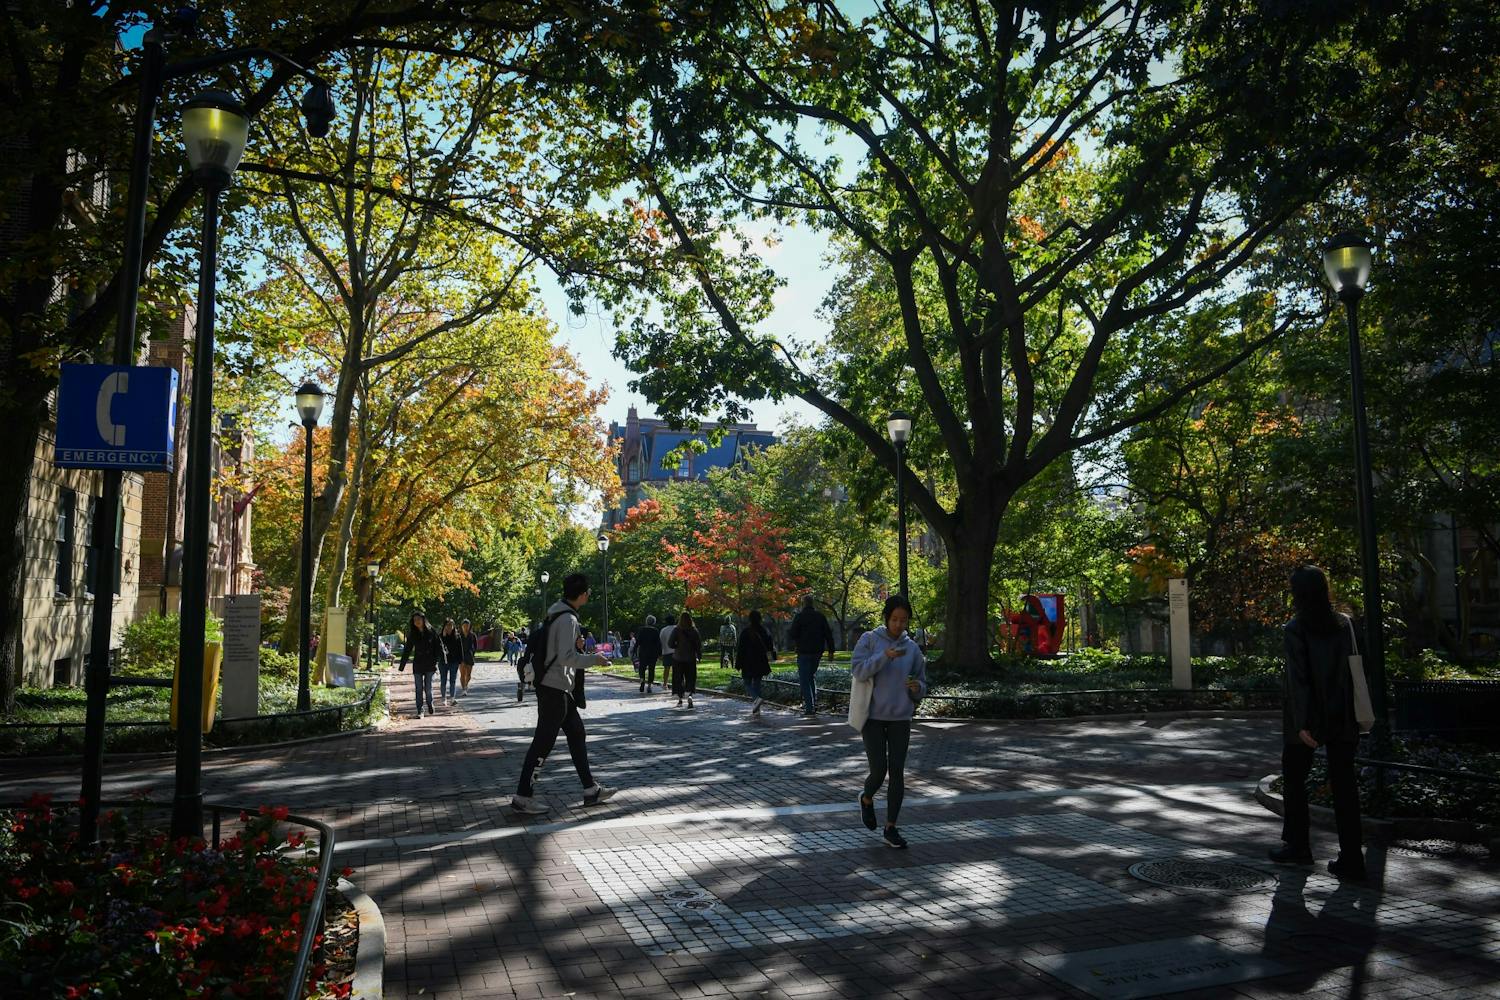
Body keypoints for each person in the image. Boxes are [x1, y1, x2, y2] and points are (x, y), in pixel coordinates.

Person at [1273, 565, 1367, 880]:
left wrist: (1302, 723)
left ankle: (1298, 847)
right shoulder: (1345, 624)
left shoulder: (1295, 628)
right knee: (1345, 785)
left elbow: (1299, 679)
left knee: (1294, 779)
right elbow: (1358, 668)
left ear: (1297, 594)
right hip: (1343, 714)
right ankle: (1352, 858)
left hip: (1308, 718)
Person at [512, 573, 617, 815]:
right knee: (542, 743)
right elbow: (566, 658)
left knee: (577, 734)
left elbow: (559, 650)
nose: (588, 595)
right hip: (555, 688)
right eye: (587, 592)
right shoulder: (568, 619)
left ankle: (590, 789)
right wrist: (595, 659)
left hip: (558, 689)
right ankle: (523, 796)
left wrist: (576, 648)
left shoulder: (557, 614)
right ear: (581, 594)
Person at [850, 594, 927, 850]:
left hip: (900, 718)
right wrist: (884, 656)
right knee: (878, 770)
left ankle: (891, 827)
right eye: (894, 619)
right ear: (886, 617)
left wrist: (917, 688)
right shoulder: (870, 639)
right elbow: (858, 670)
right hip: (872, 717)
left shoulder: (912, 649)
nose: (898, 624)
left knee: (897, 772)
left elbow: (921, 682)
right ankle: (867, 797)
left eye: (903, 620)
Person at [787, 596, 835, 716]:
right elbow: (828, 634)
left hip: (803, 651)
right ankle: (813, 703)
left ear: (803, 604)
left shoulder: (799, 617)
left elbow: (792, 634)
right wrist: (831, 651)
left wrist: (797, 640)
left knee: (804, 679)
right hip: (817, 652)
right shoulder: (820, 616)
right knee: (810, 676)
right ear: (812, 604)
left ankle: (810, 707)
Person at [397, 611, 444, 719]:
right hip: (418, 664)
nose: (417, 621)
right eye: (415, 620)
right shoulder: (412, 634)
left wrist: (437, 660)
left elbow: (438, 647)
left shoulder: (431, 631)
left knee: (428, 688)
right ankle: (420, 710)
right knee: (418, 688)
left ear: (423, 619)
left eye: (419, 619)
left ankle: (430, 703)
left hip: (430, 664)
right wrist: (402, 666)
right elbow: (407, 649)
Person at [736, 610, 776, 716]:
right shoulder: (764, 630)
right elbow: (770, 646)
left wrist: (738, 663)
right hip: (761, 661)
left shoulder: (745, 632)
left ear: (749, 619)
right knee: (757, 683)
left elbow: (741, 649)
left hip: (748, 661)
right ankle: (757, 707)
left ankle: (756, 699)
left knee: (747, 683)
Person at [671, 611, 702, 708]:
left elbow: (670, 643)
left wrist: (677, 646)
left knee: (678, 678)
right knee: (691, 677)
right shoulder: (694, 630)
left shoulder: (676, 630)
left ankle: (680, 698)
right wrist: (699, 655)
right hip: (690, 657)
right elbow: (698, 645)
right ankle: (690, 695)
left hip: (678, 657)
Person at [438, 618, 463, 706]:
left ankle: (452, 698)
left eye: (451, 625)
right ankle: (443, 698)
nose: (449, 627)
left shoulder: (457, 636)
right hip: (443, 662)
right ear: (444, 626)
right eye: (448, 625)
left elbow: (460, 650)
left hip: (454, 662)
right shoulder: (440, 637)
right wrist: (444, 637)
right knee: (443, 680)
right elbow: (438, 649)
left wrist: (460, 661)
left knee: (453, 680)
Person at [635, 616, 662, 693]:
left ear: (646, 621)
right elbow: (658, 644)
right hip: (653, 653)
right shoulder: (655, 631)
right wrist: (660, 653)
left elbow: (638, 641)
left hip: (643, 652)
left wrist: (634, 651)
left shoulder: (641, 630)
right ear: (654, 622)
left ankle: (642, 681)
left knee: (642, 668)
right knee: (651, 669)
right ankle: (649, 686)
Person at [458, 619, 479, 697]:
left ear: (469, 626)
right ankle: (464, 689)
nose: (466, 627)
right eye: (464, 626)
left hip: (469, 656)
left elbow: (475, 646)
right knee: (462, 674)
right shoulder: (459, 635)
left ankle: (466, 685)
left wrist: (472, 653)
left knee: (468, 674)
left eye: (467, 626)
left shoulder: (473, 635)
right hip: (461, 656)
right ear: (462, 626)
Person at [659, 617, 678, 696]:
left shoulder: (663, 630)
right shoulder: (677, 628)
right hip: (676, 651)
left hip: (666, 651)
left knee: (666, 669)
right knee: (677, 669)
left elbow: (660, 642)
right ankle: (677, 684)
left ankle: (665, 684)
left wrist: (660, 653)